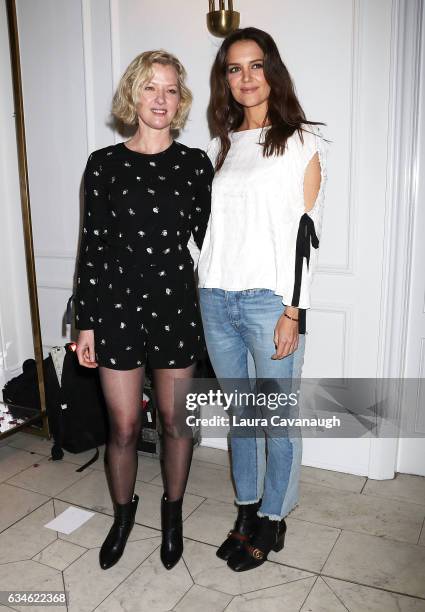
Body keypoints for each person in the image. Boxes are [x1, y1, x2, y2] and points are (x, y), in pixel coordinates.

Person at [74, 50, 213, 571]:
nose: (161, 98)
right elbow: (93, 247)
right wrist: (85, 322)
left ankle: (172, 514)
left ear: (180, 101)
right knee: (125, 428)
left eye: (171, 89)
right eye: (151, 87)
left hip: (176, 307)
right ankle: (122, 514)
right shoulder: (103, 164)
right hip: (115, 309)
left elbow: (213, 243)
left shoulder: (195, 164)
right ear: (133, 94)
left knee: (177, 423)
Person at [198, 27, 327, 572]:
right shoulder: (219, 147)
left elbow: (308, 232)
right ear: (223, 80)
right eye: (233, 69)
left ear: (271, 70)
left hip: (268, 302)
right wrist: (198, 273)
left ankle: (274, 517)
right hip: (215, 298)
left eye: (254, 65)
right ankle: (247, 511)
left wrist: (293, 310)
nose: (245, 78)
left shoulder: (300, 140)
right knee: (242, 418)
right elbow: (204, 229)